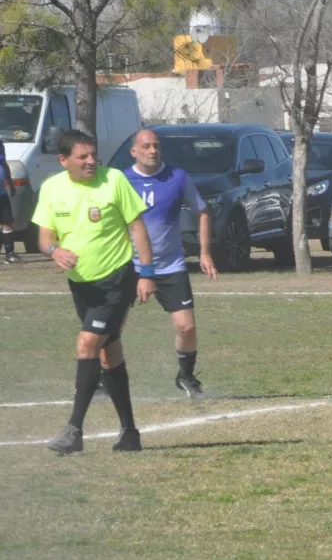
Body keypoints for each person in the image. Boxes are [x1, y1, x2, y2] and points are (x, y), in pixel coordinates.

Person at [32, 130, 156, 454]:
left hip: (116, 279)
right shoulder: (51, 188)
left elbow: (138, 228)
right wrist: (54, 250)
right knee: (108, 353)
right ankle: (130, 432)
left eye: (93, 155)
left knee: (87, 343)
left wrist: (147, 273)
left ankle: (74, 430)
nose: (91, 161)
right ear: (63, 160)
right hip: (81, 285)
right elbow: (44, 238)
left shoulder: (113, 180)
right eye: (82, 157)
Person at [123, 129, 219, 399]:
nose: (153, 151)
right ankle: (103, 379)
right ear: (134, 151)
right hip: (128, 265)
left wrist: (205, 253)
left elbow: (202, 211)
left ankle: (186, 376)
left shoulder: (177, 177)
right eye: (146, 146)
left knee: (186, 327)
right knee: (112, 327)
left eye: (156, 146)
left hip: (170, 265)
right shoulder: (121, 180)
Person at [0, 139, 16, 263]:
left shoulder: (0, 144)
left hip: (2, 193)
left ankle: (10, 254)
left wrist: (10, 182)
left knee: (7, 222)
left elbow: (4, 163)